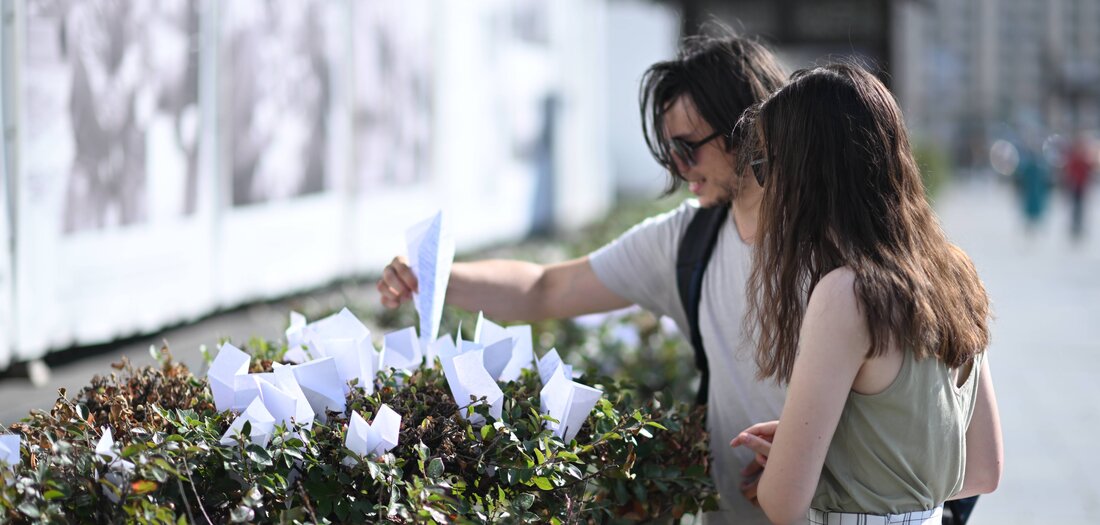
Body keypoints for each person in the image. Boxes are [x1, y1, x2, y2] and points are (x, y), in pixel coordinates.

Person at [379, 31, 787, 524]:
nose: (678, 170)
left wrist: (803, 447)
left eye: (686, 148)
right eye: (668, 153)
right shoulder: (685, 241)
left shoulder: (838, 240)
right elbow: (545, 287)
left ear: (745, 127)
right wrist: (431, 276)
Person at [729, 64, 1003, 524]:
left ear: (805, 175)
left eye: (764, 165)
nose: (765, 185)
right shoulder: (954, 272)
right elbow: (983, 470)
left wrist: (790, 463)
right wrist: (847, 450)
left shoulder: (848, 295)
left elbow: (782, 502)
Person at [1063, 136, 1094, 242]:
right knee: (1075, 208)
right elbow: (1070, 171)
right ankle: (1075, 227)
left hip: (1081, 186)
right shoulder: (1074, 158)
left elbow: (1088, 169)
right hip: (1075, 186)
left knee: (1080, 208)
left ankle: (1079, 226)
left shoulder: (1082, 159)